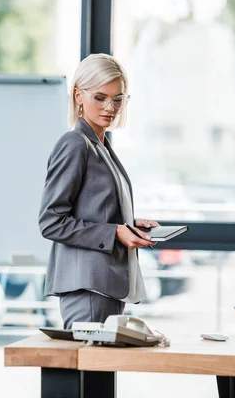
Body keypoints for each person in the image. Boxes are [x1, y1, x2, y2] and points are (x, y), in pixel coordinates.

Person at [38, 53, 159, 329]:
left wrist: (130, 225)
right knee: (91, 370)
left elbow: (96, 210)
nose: (111, 107)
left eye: (118, 99)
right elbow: (51, 222)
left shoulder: (101, 146)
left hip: (106, 284)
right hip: (88, 288)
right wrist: (115, 232)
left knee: (100, 372)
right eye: (100, 97)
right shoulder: (74, 144)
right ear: (78, 96)